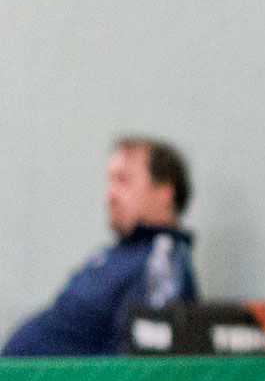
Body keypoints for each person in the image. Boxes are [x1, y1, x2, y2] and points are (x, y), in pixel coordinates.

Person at [3, 137, 198, 356]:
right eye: (110, 182)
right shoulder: (113, 255)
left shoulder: (161, 262)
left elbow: (146, 361)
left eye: (123, 180)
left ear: (164, 192)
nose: (111, 195)